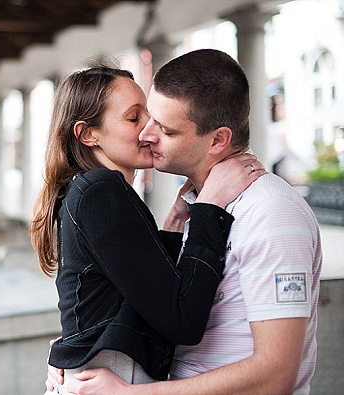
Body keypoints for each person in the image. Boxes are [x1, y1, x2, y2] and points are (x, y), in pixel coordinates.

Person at [53, 49, 322, 394]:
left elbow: (276, 376)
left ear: (218, 140)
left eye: (162, 127)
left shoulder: (271, 211)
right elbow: (144, 298)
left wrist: (128, 392)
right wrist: (72, 349)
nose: (147, 135)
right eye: (139, 120)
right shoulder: (194, 207)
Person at [30, 64, 263, 392]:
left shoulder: (88, 190)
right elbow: (182, 320)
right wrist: (211, 204)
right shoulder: (101, 190)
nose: (149, 129)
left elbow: (127, 291)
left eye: (151, 116)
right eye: (133, 117)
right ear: (87, 134)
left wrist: (174, 228)